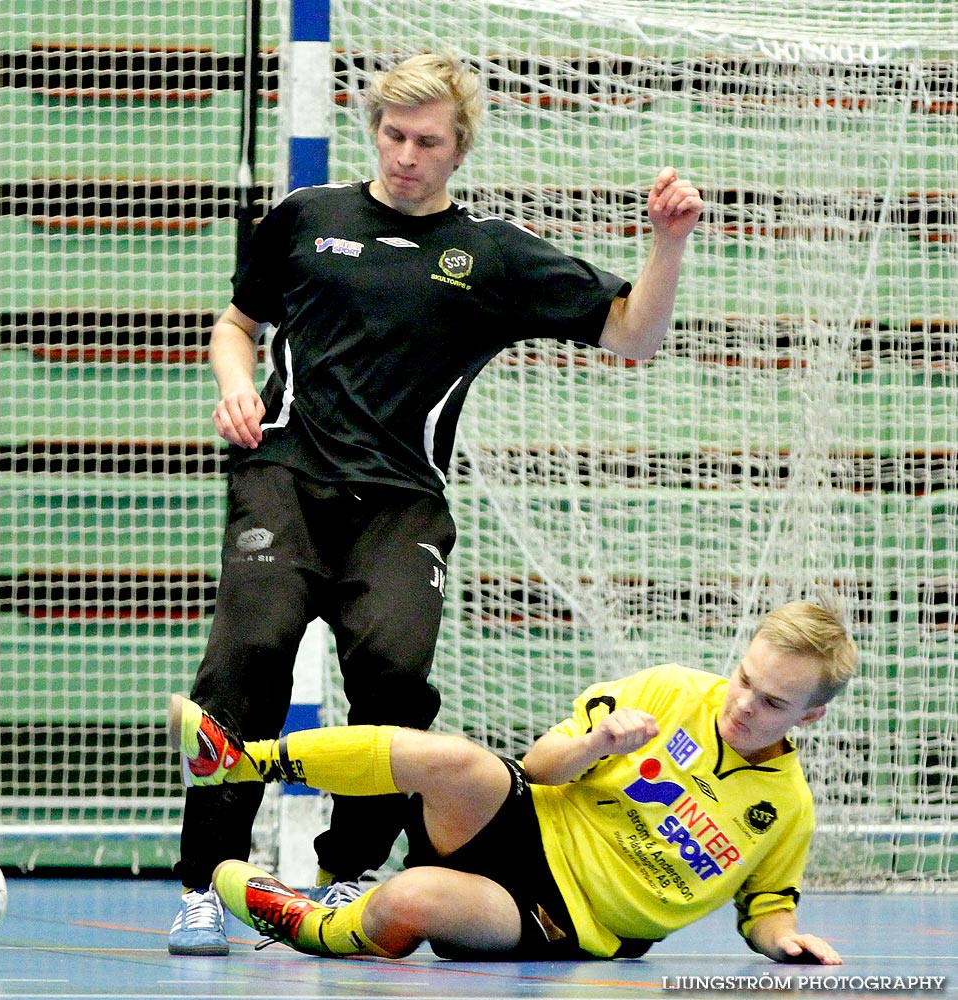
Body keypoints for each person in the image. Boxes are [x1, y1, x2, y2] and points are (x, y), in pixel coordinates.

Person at [169, 50, 704, 954]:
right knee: (247, 657)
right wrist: (234, 382)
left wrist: (668, 242)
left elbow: (634, 335)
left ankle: (346, 875)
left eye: (426, 142)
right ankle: (205, 884)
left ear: (459, 152)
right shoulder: (307, 218)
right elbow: (238, 323)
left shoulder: (489, 255)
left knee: (392, 678)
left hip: (402, 503)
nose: (404, 155)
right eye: (391, 134)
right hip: (285, 476)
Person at [172, 601, 856, 964]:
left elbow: (768, 908)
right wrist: (597, 744)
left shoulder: (786, 810)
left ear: (811, 715)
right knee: (453, 759)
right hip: (529, 818)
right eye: (745, 680)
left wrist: (786, 943)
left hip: (564, 920)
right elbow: (538, 764)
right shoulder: (670, 689)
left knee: (409, 900)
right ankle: (242, 759)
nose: (742, 705)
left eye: (772, 703)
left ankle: (312, 924)